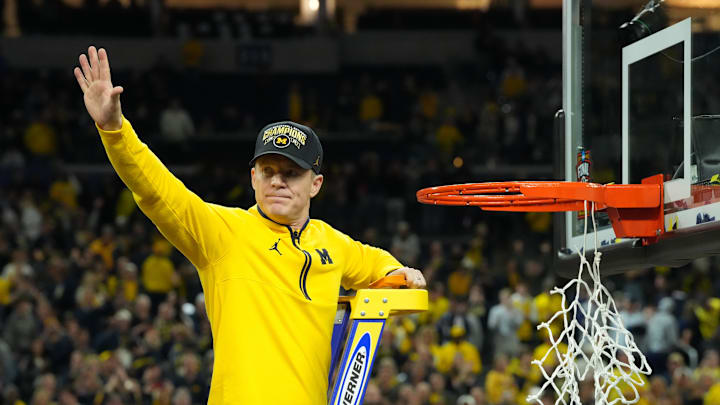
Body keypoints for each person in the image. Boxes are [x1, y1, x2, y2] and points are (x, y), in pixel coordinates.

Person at [73, 46, 426, 405]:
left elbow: (377, 263)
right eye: (269, 172)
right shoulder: (224, 232)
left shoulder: (332, 244)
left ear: (315, 184)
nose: (277, 182)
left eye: (291, 173)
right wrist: (114, 130)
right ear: (253, 178)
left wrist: (402, 272)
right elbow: (156, 190)